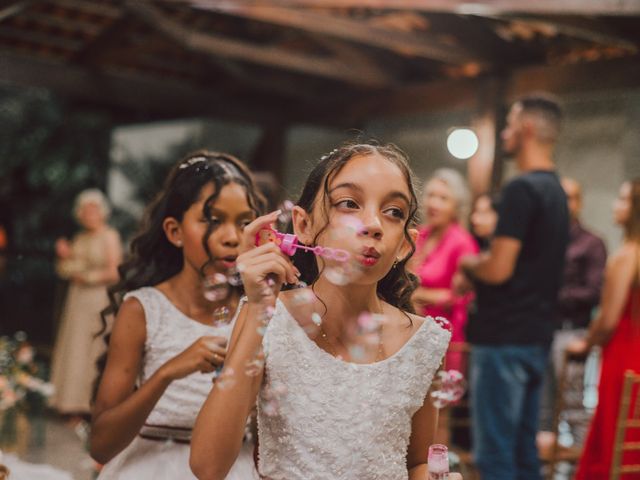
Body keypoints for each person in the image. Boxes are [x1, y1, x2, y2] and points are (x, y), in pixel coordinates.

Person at [191, 142, 460, 480]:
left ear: (405, 245)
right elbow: (207, 466)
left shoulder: (424, 343)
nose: (374, 223)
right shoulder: (269, 317)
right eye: (349, 203)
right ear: (302, 225)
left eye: (393, 211)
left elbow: (417, 462)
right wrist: (259, 307)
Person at [89, 152, 262, 479]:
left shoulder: (257, 312)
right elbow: (100, 445)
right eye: (213, 219)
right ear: (174, 231)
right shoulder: (143, 310)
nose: (232, 236)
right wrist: (168, 372)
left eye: (243, 222)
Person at [457, 93, 570, 480]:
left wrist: (469, 263)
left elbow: (499, 269)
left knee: (494, 455)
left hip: (504, 336)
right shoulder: (556, 190)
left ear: (526, 129)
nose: (503, 133)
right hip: (536, 334)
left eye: (509, 125)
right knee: (523, 453)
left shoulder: (521, 190)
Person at [569, 178, 640, 479]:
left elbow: (608, 318)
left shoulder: (626, 255)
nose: (616, 205)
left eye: (623, 200)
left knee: (615, 434)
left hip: (623, 353)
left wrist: (586, 343)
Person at [539, 177, 607, 435]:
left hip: (572, 332)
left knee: (574, 407)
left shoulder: (591, 243)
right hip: (541, 330)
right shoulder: (542, 242)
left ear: (579, 203)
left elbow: (594, 292)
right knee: (542, 411)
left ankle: (583, 468)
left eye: (571, 197)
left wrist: (551, 294)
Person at [50, 189, 122, 417]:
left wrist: (87, 277)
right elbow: (65, 270)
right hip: (77, 299)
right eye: (85, 210)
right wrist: (64, 256)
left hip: (98, 299)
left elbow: (115, 271)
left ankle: (91, 405)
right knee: (75, 348)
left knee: (94, 348)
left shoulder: (109, 236)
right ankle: (69, 403)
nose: (89, 214)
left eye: (93, 209)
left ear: (102, 212)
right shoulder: (80, 238)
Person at [409, 168, 478, 371]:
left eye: (443, 198)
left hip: (445, 339)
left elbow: (463, 297)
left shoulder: (462, 242)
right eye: (431, 196)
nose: (434, 204)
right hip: (412, 333)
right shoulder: (419, 235)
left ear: (456, 205)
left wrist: (419, 295)